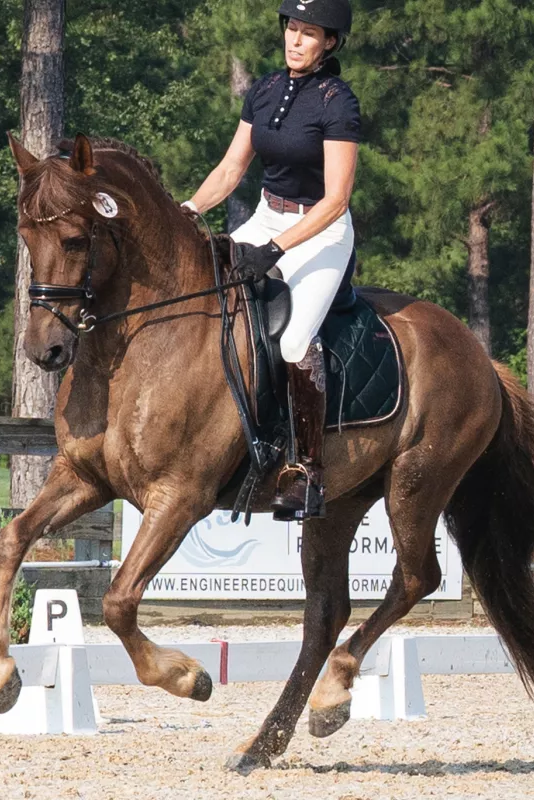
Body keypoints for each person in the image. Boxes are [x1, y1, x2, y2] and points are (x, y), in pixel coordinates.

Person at [182, 0, 359, 520]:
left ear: (330, 42)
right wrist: (189, 208)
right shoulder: (263, 89)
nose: (295, 40)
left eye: (308, 33)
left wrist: (278, 249)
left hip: (321, 231)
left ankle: (306, 471)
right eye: (291, 29)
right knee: (212, 305)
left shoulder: (338, 102)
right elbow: (233, 167)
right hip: (265, 215)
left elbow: (337, 199)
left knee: (294, 340)